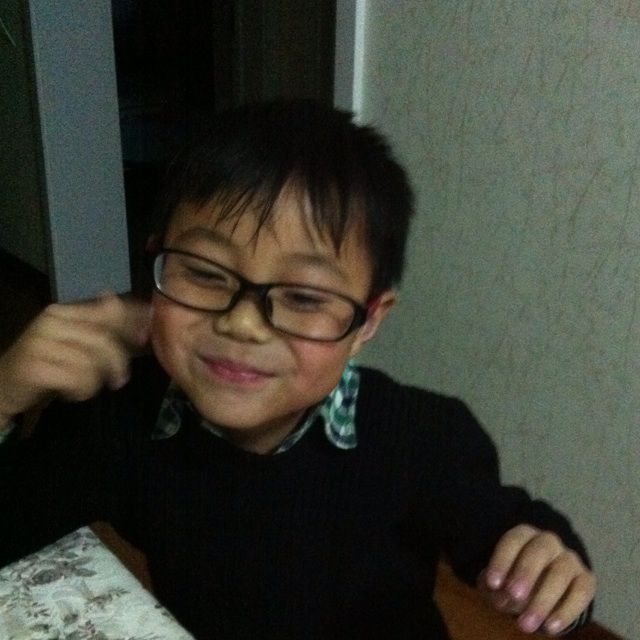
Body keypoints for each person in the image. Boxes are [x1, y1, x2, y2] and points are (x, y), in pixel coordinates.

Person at [0, 100, 595, 639]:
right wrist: (3, 393)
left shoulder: (421, 436)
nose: (243, 324)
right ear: (157, 263)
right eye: (204, 273)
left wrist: (548, 565)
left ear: (367, 322)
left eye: (304, 297)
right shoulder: (118, 421)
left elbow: (512, 531)